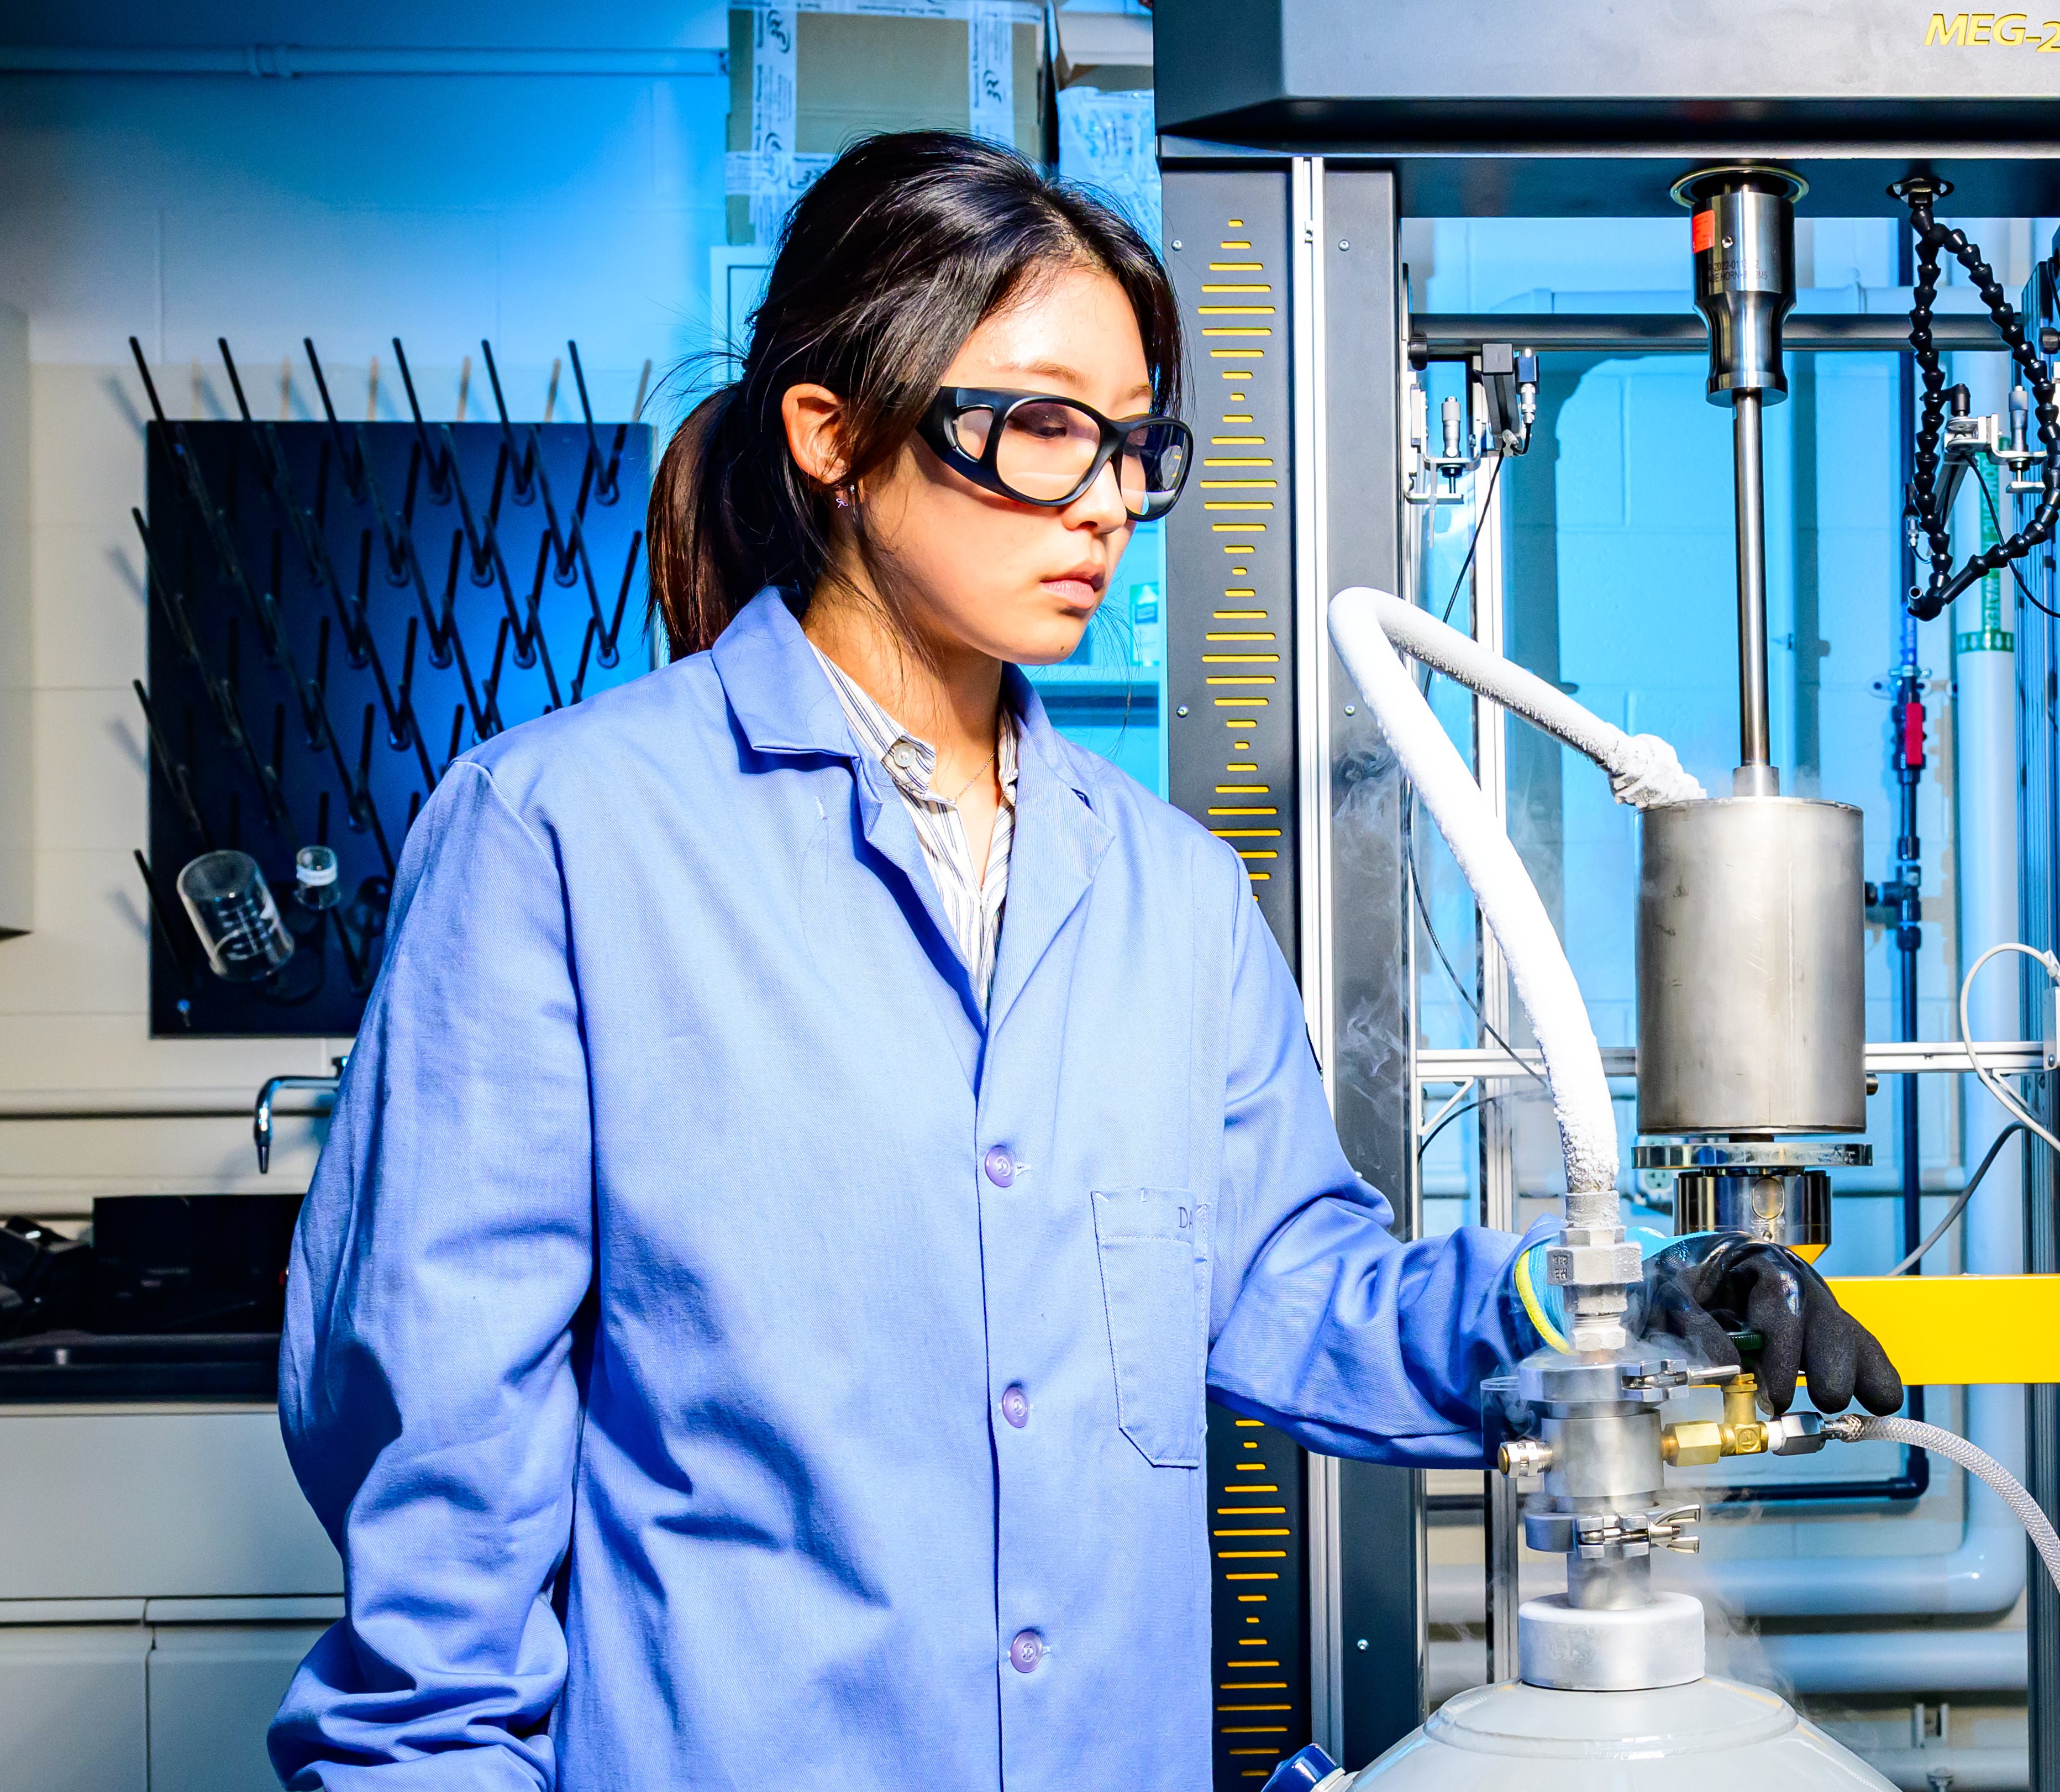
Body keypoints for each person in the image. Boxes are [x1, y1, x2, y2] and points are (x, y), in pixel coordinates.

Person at [269, 132, 1898, 1790]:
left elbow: (1286, 1284)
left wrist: (1617, 1307)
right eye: (1043, 429)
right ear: (832, 436)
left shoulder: (1167, 889)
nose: (1110, 499)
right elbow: (440, 1524)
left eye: (1132, 445)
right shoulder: (561, 839)